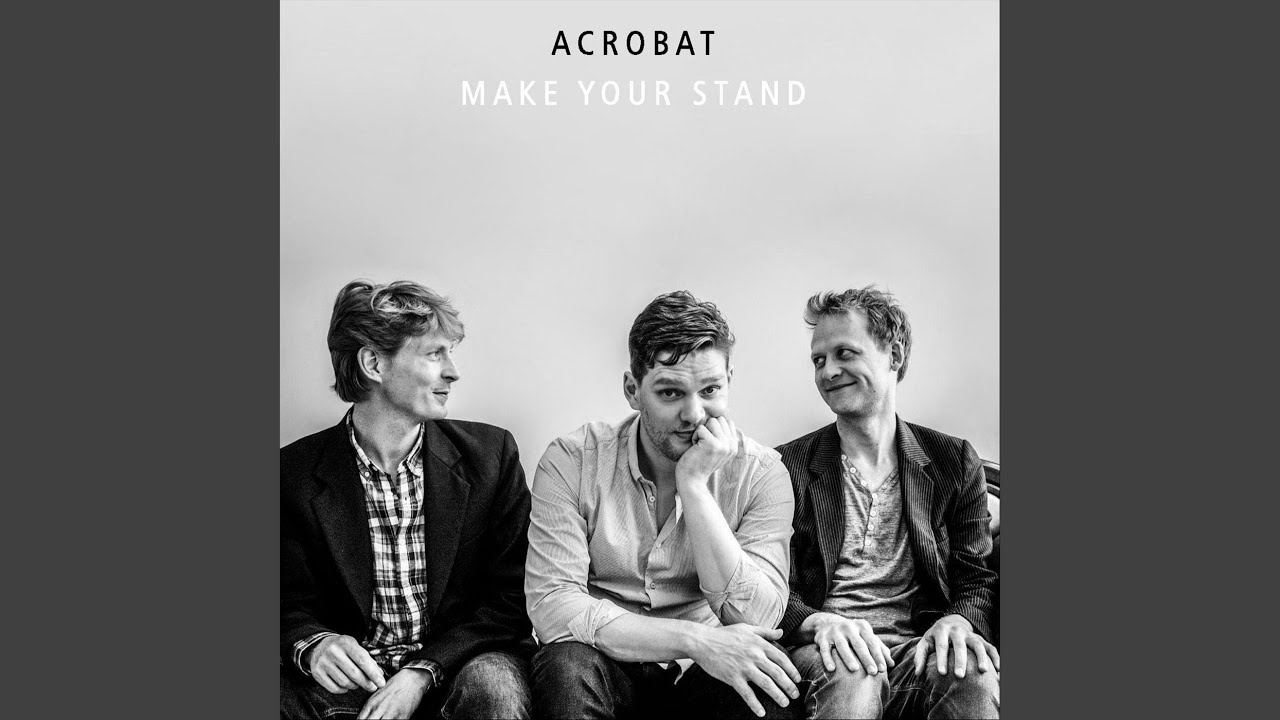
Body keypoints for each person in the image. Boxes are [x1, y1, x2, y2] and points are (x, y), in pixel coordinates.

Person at [525, 291, 801, 720]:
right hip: (606, 663)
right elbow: (553, 606)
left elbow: (760, 616)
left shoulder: (762, 473)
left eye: (711, 390)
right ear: (632, 390)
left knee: (764, 680)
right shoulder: (573, 461)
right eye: (671, 393)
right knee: (566, 665)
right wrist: (694, 640)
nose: (694, 414)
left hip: (707, 678)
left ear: (730, 379)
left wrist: (694, 488)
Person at [281, 280, 534, 719]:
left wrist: (422, 672)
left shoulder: (491, 457)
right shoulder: (292, 474)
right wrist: (315, 645)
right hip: (355, 683)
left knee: (495, 688)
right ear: (373, 364)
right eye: (435, 354)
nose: (453, 372)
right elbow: (284, 601)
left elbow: (512, 599)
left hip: (461, 665)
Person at [776, 287, 999, 719]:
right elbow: (769, 587)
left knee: (971, 669)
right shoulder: (786, 466)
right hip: (826, 652)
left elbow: (975, 576)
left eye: (844, 353)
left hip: (918, 649)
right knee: (852, 670)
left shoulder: (954, 461)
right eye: (818, 360)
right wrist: (816, 622)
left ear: (894, 355)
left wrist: (960, 620)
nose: (828, 371)